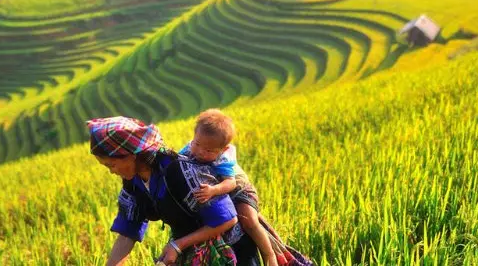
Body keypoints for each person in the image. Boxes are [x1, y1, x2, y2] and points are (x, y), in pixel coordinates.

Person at [87, 116, 260, 266]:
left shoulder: (179, 171)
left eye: (111, 164)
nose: (111, 171)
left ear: (131, 155)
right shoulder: (133, 184)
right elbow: (127, 232)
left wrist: (178, 245)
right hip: (192, 252)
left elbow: (227, 219)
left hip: (232, 251)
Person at [179, 109, 314, 266]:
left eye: (208, 150)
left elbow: (231, 183)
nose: (200, 152)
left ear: (222, 149)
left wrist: (213, 191)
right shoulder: (191, 147)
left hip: (240, 192)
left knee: (249, 220)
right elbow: (178, 160)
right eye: (197, 144)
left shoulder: (223, 159)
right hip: (222, 192)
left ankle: (269, 254)